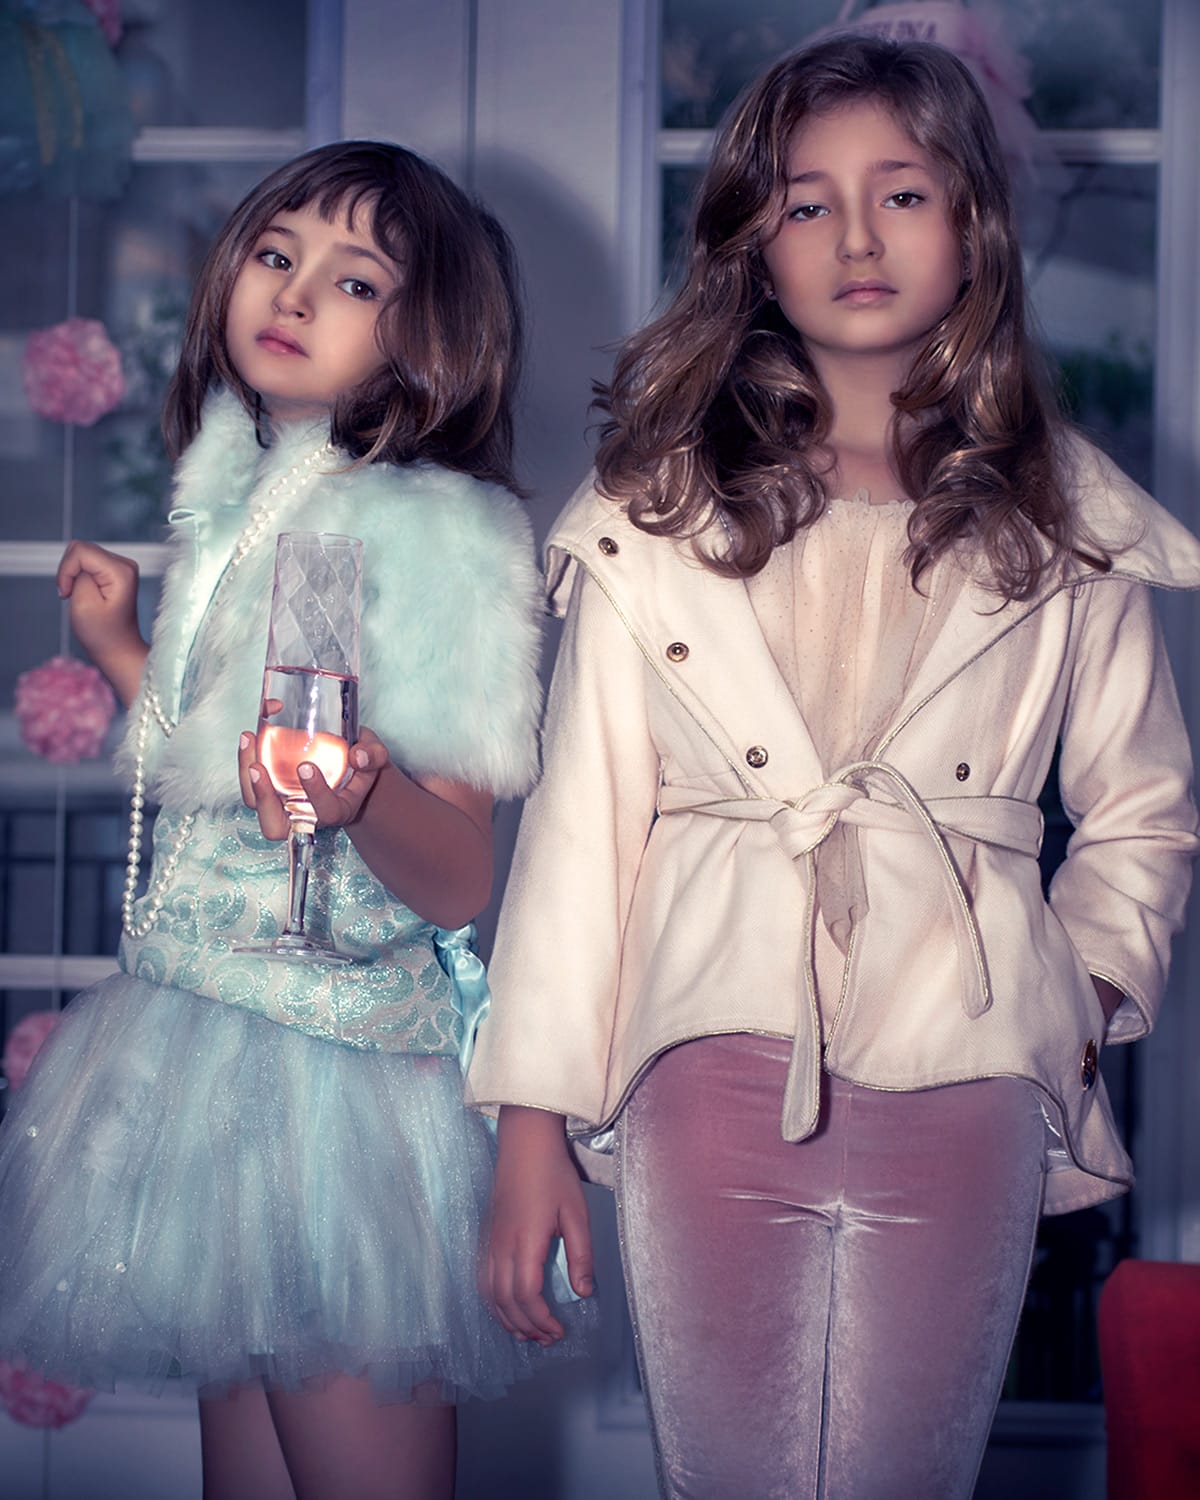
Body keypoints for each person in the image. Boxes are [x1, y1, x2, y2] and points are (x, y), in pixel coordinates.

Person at [467, 35, 1200, 1500]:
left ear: (972, 224)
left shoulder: (1073, 520)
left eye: (902, 193)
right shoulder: (648, 515)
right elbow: (580, 834)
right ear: (755, 244)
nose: (858, 237)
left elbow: (1145, 812)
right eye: (808, 203)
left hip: (972, 1064)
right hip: (704, 1058)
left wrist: (1074, 997)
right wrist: (532, 1123)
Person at [0, 141, 583, 1500]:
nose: (297, 290)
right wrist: (122, 647)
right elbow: (230, 769)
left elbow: (458, 878)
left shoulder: (441, 537)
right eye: (277, 253)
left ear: (430, 335)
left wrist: (362, 792)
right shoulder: (247, 499)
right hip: (202, 1032)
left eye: (356, 279)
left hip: (332, 1073)